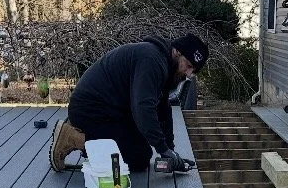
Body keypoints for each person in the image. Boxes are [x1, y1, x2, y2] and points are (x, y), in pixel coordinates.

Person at [49, 33, 208, 173]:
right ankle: (73, 137)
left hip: (112, 110)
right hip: (90, 110)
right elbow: (143, 107)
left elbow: (163, 110)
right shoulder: (152, 60)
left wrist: (171, 153)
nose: (188, 74)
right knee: (137, 158)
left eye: (193, 70)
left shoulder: (164, 63)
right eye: (188, 66)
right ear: (177, 52)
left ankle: (87, 133)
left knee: (141, 150)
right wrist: (163, 148)